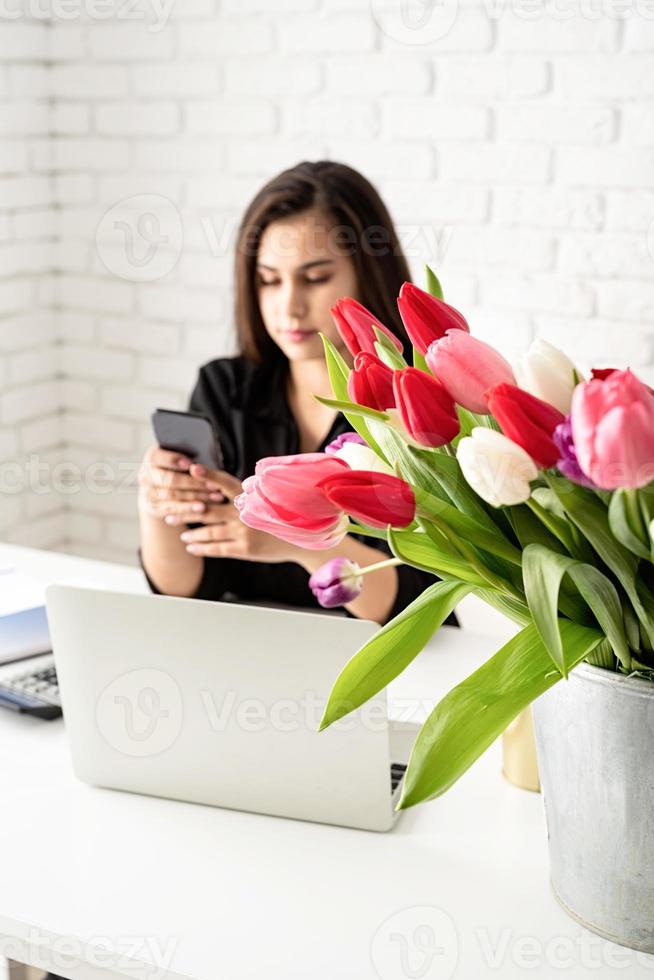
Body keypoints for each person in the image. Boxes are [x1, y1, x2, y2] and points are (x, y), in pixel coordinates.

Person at [137, 160, 457, 627]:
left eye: (315, 278)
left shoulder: (416, 403)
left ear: (368, 273)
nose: (289, 306)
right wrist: (155, 503)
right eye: (269, 280)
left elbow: (419, 606)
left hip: (389, 667)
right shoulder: (226, 389)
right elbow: (183, 589)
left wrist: (296, 539)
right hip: (246, 655)